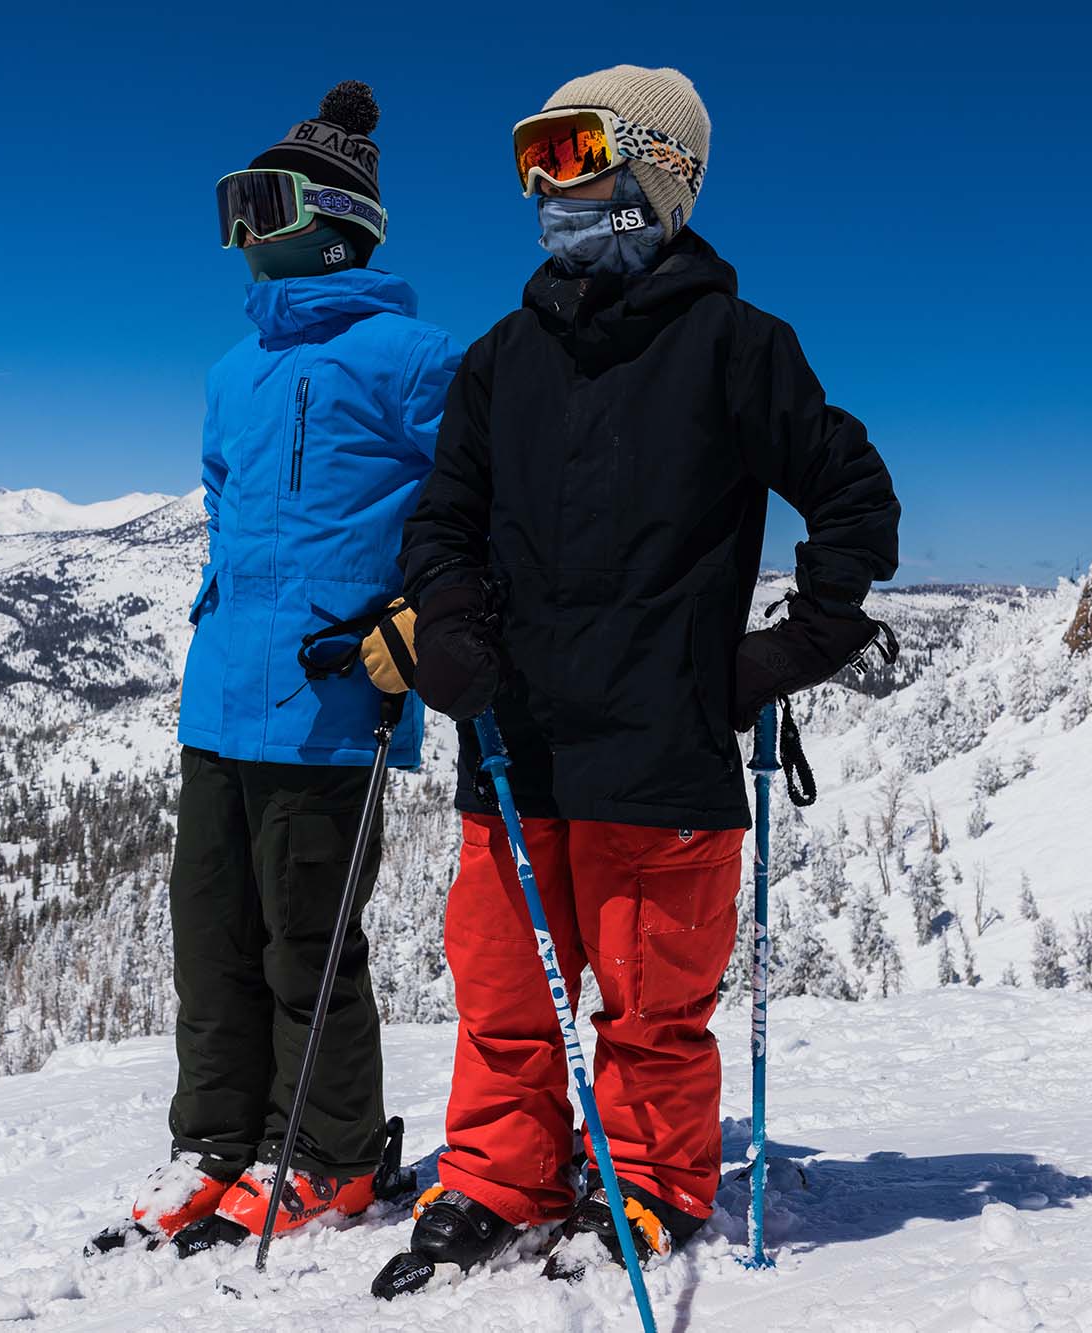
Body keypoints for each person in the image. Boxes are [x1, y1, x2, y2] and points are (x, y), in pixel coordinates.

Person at [369, 65, 901, 1297]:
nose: (545, 185)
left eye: (571, 151)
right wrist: (446, 623)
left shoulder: (736, 347)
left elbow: (851, 500)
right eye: (530, 159)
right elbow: (442, 517)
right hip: (514, 744)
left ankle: (647, 1181)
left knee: (652, 1007)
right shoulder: (502, 359)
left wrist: (780, 654)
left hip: (660, 755)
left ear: (657, 170)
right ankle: (499, 1180)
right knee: (506, 991)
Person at [87, 80, 462, 1258]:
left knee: (306, 941)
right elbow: (223, 503)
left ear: (337, 218)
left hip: (328, 705)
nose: (243, 231)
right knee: (209, 939)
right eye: (232, 207)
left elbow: (476, 512)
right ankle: (216, 1140)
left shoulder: (413, 360)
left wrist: (411, 616)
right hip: (219, 701)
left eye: (263, 203)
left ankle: (331, 1153)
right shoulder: (228, 373)